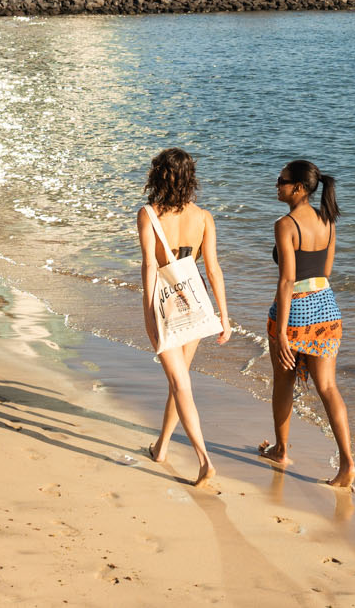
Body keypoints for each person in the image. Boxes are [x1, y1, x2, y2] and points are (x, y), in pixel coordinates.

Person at [258, 159, 355, 488]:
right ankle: (347, 464)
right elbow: (325, 271)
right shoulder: (328, 221)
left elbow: (287, 281)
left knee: (283, 383)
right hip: (326, 309)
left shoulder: (285, 224)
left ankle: (281, 450)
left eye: (282, 180)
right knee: (328, 388)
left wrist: (283, 333)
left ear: (299, 188)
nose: (277, 184)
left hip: (295, 312)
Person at [137, 147, 231, 488]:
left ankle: (204, 460)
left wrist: (149, 313)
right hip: (197, 302)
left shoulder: (148, 215)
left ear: (159, 175)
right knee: (181, 383)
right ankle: (161, 447)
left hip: (166, 305)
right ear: (190, 178)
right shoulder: (204, 217)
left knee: (180, 383)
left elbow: (150, 266)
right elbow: (214, 269)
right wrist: (224, 315)